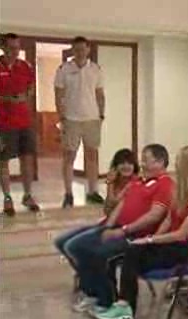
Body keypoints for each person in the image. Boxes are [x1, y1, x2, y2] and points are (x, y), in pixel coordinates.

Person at [92, 146, 188, 319]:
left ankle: (125, 311)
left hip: (186, 249)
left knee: (134, 254)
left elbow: (182, 234)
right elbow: (167, 222)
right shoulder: (180, 192)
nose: (175, 165)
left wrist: (150, 239)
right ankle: (125, 310)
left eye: (179, 161)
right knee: (133, 250)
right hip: (169, 243)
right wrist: (150, 240)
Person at [64, 144, 174, 313]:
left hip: (135, 235)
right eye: (142, 160)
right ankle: (91, 291)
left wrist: (123, 230)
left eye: (146, 160)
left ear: (160, 162)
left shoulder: (165, 184)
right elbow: (120, 204)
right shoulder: (139, 181)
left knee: (98, 253)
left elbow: (154, 216)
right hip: (116, 227)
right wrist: (106, 227)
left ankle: (106, 299)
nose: (142, 164)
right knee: (75, 246)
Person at [54, 149, 139, 310]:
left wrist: (109, 184)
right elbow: (108, 209)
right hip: (107, 222)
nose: (126, 166)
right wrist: (111, 184)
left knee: (79, 247)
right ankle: (86, 277)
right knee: (61, 242)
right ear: (115, 166)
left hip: (119, 227)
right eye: (122, 162)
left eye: (129, 162)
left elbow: (116, 202)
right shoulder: (116, 181)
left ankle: (96, 290)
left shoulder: (135, 183)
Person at [54, 36, 106, 208]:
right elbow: (58, 94)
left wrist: (101, 116)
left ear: (88, 49)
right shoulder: (64, 69)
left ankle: (92, 192)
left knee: (92, 156)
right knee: (69, 156)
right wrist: (62, 117)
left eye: (83, 49)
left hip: (92, 119)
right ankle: (68, 194)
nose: (80, 52)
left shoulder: (96, 69)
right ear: (73, 50)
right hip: (71, 120)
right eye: (76, 49)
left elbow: (99, 94)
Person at [0, 33, 40, 216]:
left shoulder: (25, 67)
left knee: (28, 159)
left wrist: (26, 95)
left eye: (17, 47)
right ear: (3, 48)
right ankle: (7, 198)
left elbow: (30, 88)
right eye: (11, 47)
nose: (15, 51)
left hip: (24, 121)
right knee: (4, 161)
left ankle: (27, 195)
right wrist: (8, 99)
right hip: (3, 123)